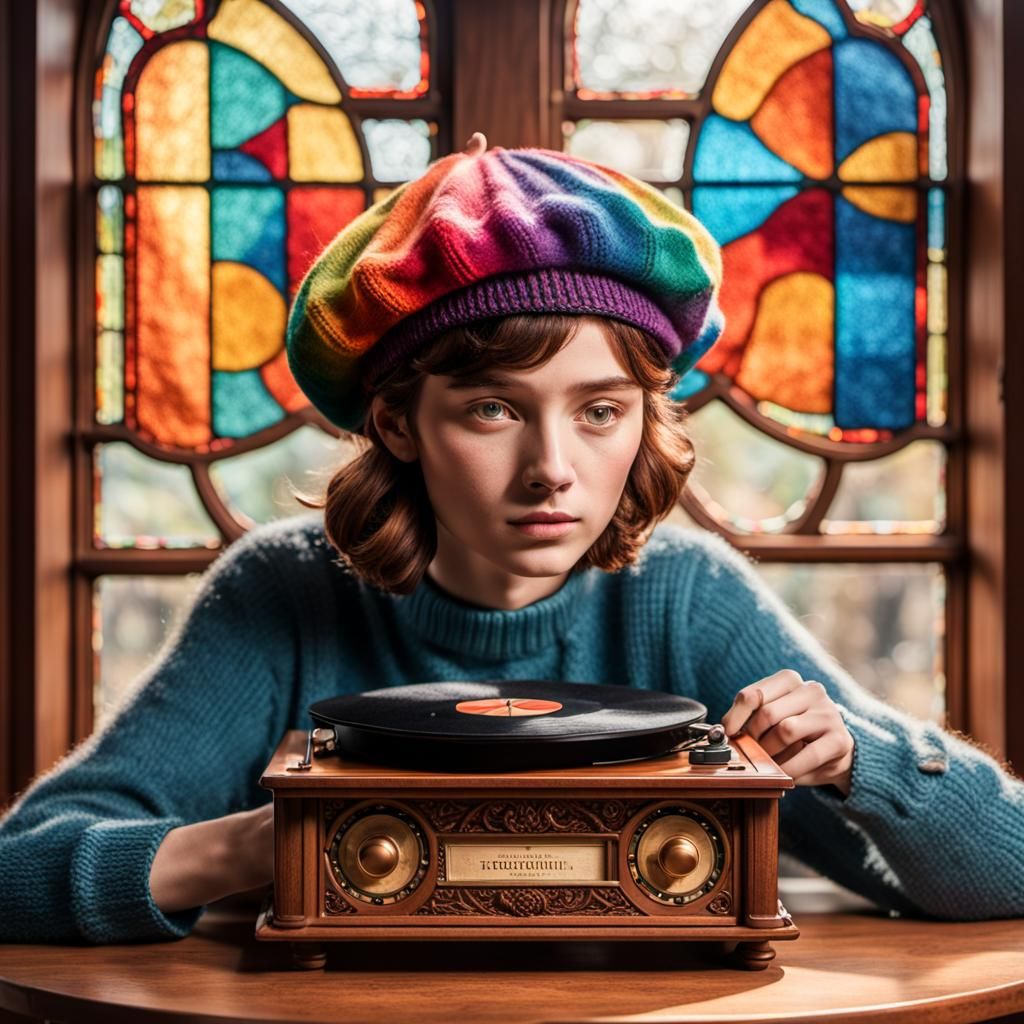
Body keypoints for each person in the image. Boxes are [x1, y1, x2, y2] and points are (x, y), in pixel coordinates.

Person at [1, 134, 1022, 945]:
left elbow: (1009, 869)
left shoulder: (686, 598)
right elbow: (19, 867)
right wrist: (269, 845)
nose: (552, 468)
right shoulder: (280, 592)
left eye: (599, 411)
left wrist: (866, 762)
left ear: (643, 420)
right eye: (493, 409)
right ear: (398, 423)